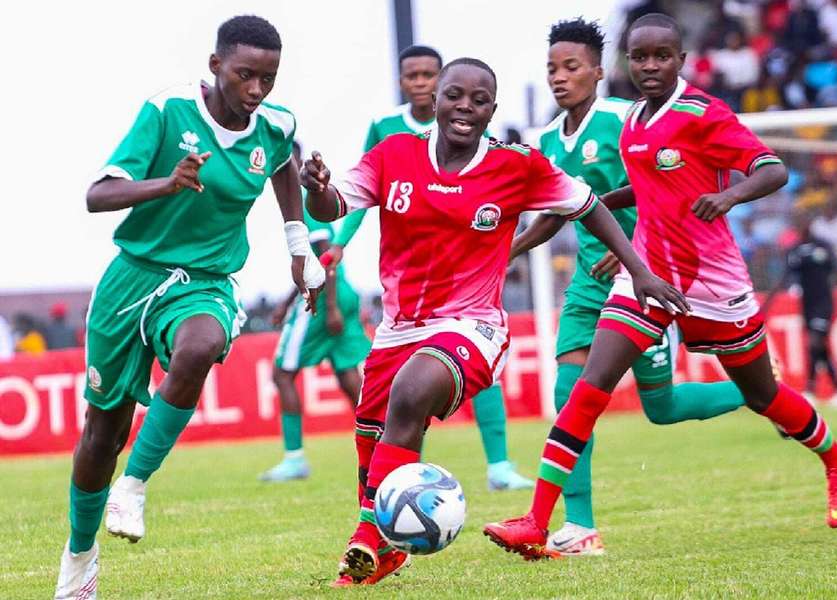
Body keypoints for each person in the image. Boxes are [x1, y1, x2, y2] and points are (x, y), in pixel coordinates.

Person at [484, 13, 837, 561]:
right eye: (641, 57)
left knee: (761, 396)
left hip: (713, 284)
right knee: (587, 387)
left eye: (662, 56)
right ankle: (539, 521)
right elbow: (634, 193)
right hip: (648, 281)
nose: (651, 66)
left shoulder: (702, 113)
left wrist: (730, 197)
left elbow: (772, 168)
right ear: (627, 64)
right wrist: (601, 223)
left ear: (681, 60)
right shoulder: (634, 120)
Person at [300, 57, 687, 585]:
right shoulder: (394, 155)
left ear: (492, 110)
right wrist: (317, 187)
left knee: (411, 392)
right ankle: (388, 545)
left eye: (479, 101)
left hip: (472, 325)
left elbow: (589, 204)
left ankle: (368, 536)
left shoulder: (518, 165)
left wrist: (638, 269)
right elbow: (332, 206)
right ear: (435, 99)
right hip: (399, 326)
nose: (465, 107)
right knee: (374, 431)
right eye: (455, 95)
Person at [54, 16, 325, 600]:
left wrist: (299, 247)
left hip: (204, 282)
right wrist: (165, 184)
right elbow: (97, 195)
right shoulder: (167, 111)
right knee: (103, 431)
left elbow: (282, 167)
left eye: (268, 78)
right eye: (246, 74)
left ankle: (136, 485)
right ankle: (79, 559)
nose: (257, 90)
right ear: (215, 66)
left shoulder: (277, 126)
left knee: (200, 344)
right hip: (131, 280)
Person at [507, 17, 750, 558]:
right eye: (552, 68)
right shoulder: (549, 137)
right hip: (586, 289)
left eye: (571, 67)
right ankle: (579, 526)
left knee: (660, 408)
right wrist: (510, 251)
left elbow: (656, 188)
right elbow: (558, 212)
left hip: (645, 282)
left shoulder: (626, 120)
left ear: (598, 71)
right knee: (568, 395)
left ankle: (758, 391)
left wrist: (633, 257)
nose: (559, 77)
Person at [325, 44, 533, 491]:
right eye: (412, 76)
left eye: (426, 74)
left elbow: (576, 200)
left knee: (449, 372)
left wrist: (515, 245)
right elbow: (362, 193)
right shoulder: (389, 136)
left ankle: (498, 463)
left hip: (469, 311)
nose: (419, 83)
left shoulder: (502, 158)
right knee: (383, 414)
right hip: (405, 311)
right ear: (413, 86)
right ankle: (381, 526)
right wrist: (340, 242)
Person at [258, 142, 372, 482]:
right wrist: (283, 302)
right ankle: (383, 447)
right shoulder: (301, 202)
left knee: (282, 373)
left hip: (324, 301)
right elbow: (309, 264)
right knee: (349, 376)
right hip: (339, 294)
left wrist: (331, 307)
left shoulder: (304, 201)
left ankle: (294, 459)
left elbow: (325, 258)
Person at [762, 213, 837, 407]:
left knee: (814, 344)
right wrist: (765, 308)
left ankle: (810, 389)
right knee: (820, 347)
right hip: (807, 305)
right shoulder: (795, 250)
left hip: (824, 303)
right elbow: (783, 279)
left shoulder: (823, 246)